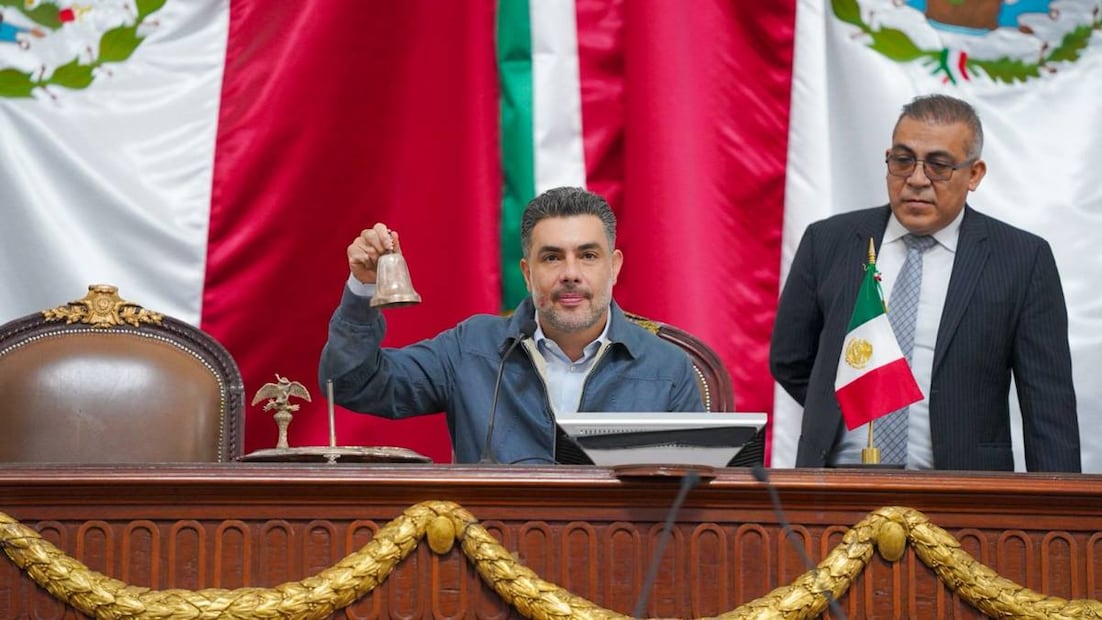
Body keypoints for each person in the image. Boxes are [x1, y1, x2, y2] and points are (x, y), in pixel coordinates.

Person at [770, 94, 1080, 472]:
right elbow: (790, 358)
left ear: (975, 174)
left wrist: (1056, 519)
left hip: (962, 495)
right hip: (835, 488)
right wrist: (845, 405)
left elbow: (1048, 405)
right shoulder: (829, 241)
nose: (917, 180)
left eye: (939, 165)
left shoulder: (1020, 259)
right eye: (903, 161)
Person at [319, 186, 703, 464]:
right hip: (489, 563)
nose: (570, 274)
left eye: (587, 256)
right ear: (527, 273)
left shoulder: (667, 369)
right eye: (552, 258)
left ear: (614, 267)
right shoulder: (471, 348)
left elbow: (695, 494)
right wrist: (363, 287)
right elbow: (352, 384)